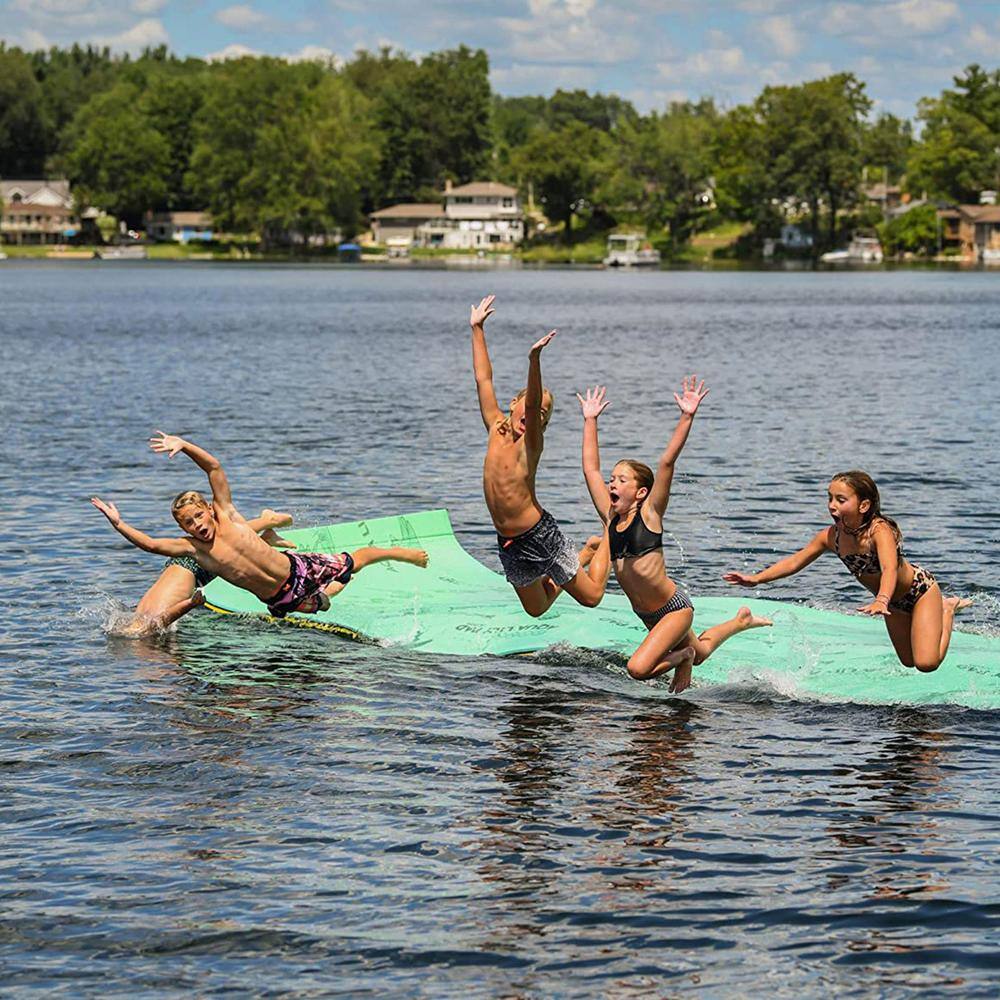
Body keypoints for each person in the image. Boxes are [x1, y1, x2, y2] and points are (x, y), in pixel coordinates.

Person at [91, 432, 428, 619]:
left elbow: (214, 469)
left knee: (355, 561)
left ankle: (397, 553)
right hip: (280, 598)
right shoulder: (193, 549)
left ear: (208, 509)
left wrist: (185, 445)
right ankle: (324, 589)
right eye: (188, 524)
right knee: (326, 603)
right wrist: (119, 524)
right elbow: (149, 544)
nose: (197, 526)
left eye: (198, 516)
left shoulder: (226, 513)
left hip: (298, 569)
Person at [578, 379, 772, 692]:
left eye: (621, 480)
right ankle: (740, 622)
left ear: (641, 492)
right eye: (612, 479)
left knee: (638, 668)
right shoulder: (611, 517)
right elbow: (590, 470)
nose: (611, 484)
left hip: (674, 609)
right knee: (703, 653)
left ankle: (683, 655)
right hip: (648, 614)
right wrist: (590, 420)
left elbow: (667, 461)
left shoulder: (650, 515)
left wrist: (687, 416)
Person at [723, 470, 972, 672]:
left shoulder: (879, 531)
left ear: (863, 505)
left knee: (926, 664)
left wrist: (881, 599)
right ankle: (935, 610)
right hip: (890, 603)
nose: (832, 505)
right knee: (908, 662)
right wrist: (756, 579)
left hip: (919, 592)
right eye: (830, 498)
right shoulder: (832, 537)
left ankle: (946, 609)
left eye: (841, 500)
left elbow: (888, 569)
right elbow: (794, 562)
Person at [470, 294, 610, 617]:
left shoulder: (530, 444)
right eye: (535, 409)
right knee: (537, 609)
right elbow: (483, 379)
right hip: (507, 541)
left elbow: (533, 405)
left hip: (538, 534)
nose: (537, 415)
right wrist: (477, 329)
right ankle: (586, 552)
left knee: (592, 597)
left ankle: (609, 536)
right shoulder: (495, 427)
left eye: (544, 415)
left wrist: (534, 361)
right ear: (512, 403)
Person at [114, 509, 296, 637]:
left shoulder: (145, 628)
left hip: (192, 570)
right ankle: (266, 538)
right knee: (230, 546)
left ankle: (268, 521)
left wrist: (191, 603)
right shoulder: (136, 618)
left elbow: (168, 616)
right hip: (178, 568)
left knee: (228, 543)